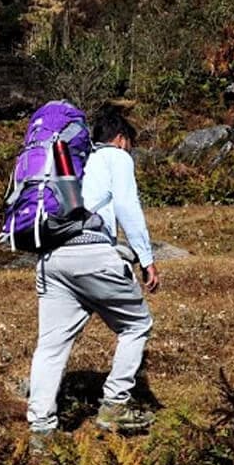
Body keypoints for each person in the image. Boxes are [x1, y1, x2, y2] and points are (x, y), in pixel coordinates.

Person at [26, 105, 159, 446]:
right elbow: (128, 206)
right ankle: (114, 405)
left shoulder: (72, 162)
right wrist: (146, 259)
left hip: (52, 258)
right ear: (119, 139)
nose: (131, 150)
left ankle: (40, 431)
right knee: (136, 325)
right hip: (93, 253)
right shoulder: (116, 158)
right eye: (130, 143)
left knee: (51, 347)